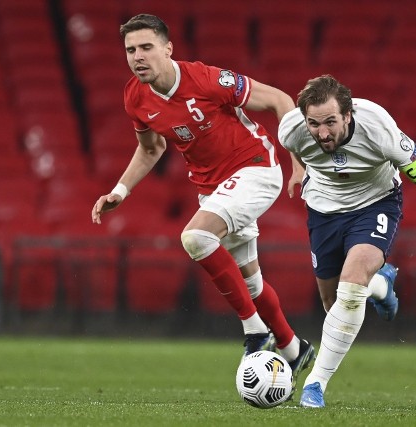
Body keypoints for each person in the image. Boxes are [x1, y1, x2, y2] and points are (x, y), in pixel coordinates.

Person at [90, 14, 315, 391]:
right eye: (130, 50)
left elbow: (279, 100)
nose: (137, 56)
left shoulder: (207, 79)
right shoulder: (135, 96)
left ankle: (255, 332)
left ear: (168, 49)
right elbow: (151, 148)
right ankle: (293, 348)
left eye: (146, 47)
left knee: (195, 238)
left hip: (255, 168)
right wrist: (121, 191)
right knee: (252, 282)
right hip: (212, 187)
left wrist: (298, 162)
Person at [278, 75, 416, 408]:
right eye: (313, 123)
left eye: (330, 122)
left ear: (348, 115)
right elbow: (295, 147)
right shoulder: (292, 130)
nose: (322, 133)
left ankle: (315, 385)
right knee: (333, 303)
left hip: (375, 204)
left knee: (351, 289)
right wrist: (297, 169)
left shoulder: (381, 132)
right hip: (323, 210)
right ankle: (381, 285)